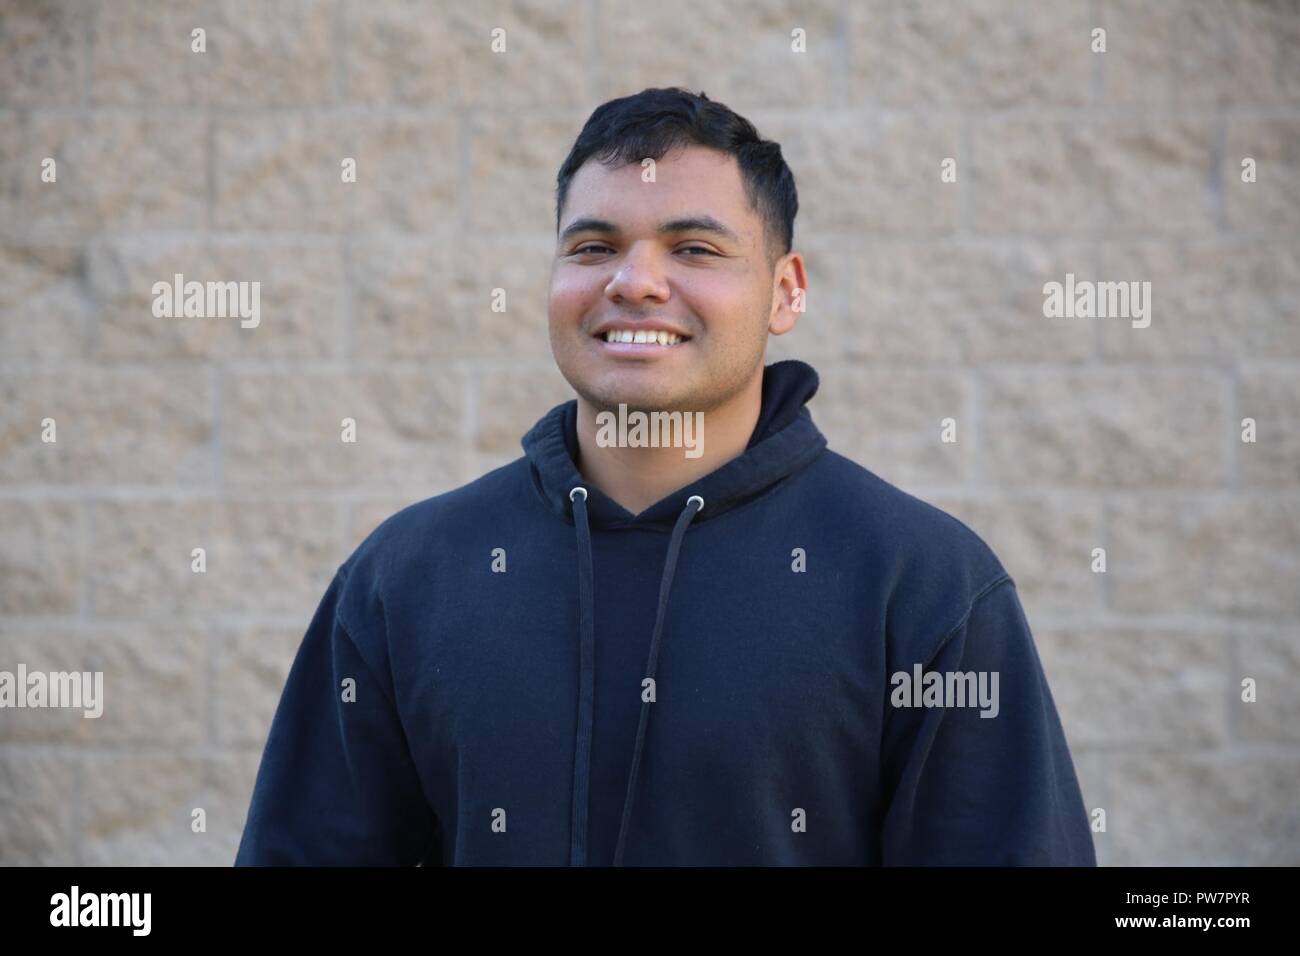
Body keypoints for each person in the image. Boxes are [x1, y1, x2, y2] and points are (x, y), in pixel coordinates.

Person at [234, 87, 1096, 866]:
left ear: (785, 292)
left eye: (693, 247)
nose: (635, 282)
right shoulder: (405, 577)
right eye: (593, 246)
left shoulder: (925, 585)